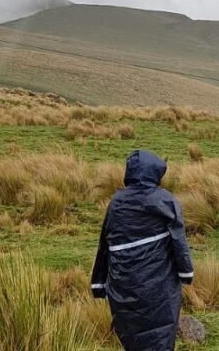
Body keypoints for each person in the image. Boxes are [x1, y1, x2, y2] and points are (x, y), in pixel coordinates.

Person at [91, 150, 194, 351]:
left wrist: (98, 283)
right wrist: (186, 272)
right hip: (159, 285)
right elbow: (178, 239)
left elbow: (105, 244)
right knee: (160, 337)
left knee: (133, 338)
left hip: (123, 286)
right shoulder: (165, 200)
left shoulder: (116, 203)